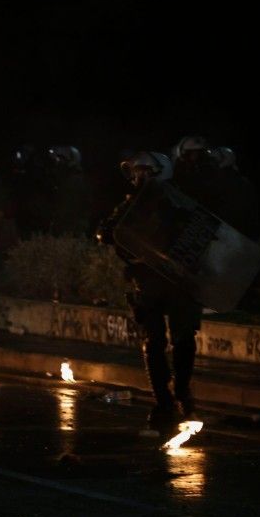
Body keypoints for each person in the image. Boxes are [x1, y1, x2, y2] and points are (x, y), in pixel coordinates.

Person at [97, 151, 198, 433]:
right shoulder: (129, 206)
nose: (138, 177)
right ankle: (163, 400)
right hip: (146, 282)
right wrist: (108, 230)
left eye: (145, 171)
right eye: (136, 172)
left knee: (183, 338)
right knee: (152, 342)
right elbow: (110, 233)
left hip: (179, 282)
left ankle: (182, 390)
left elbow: (196, 238)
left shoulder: (180, 204)